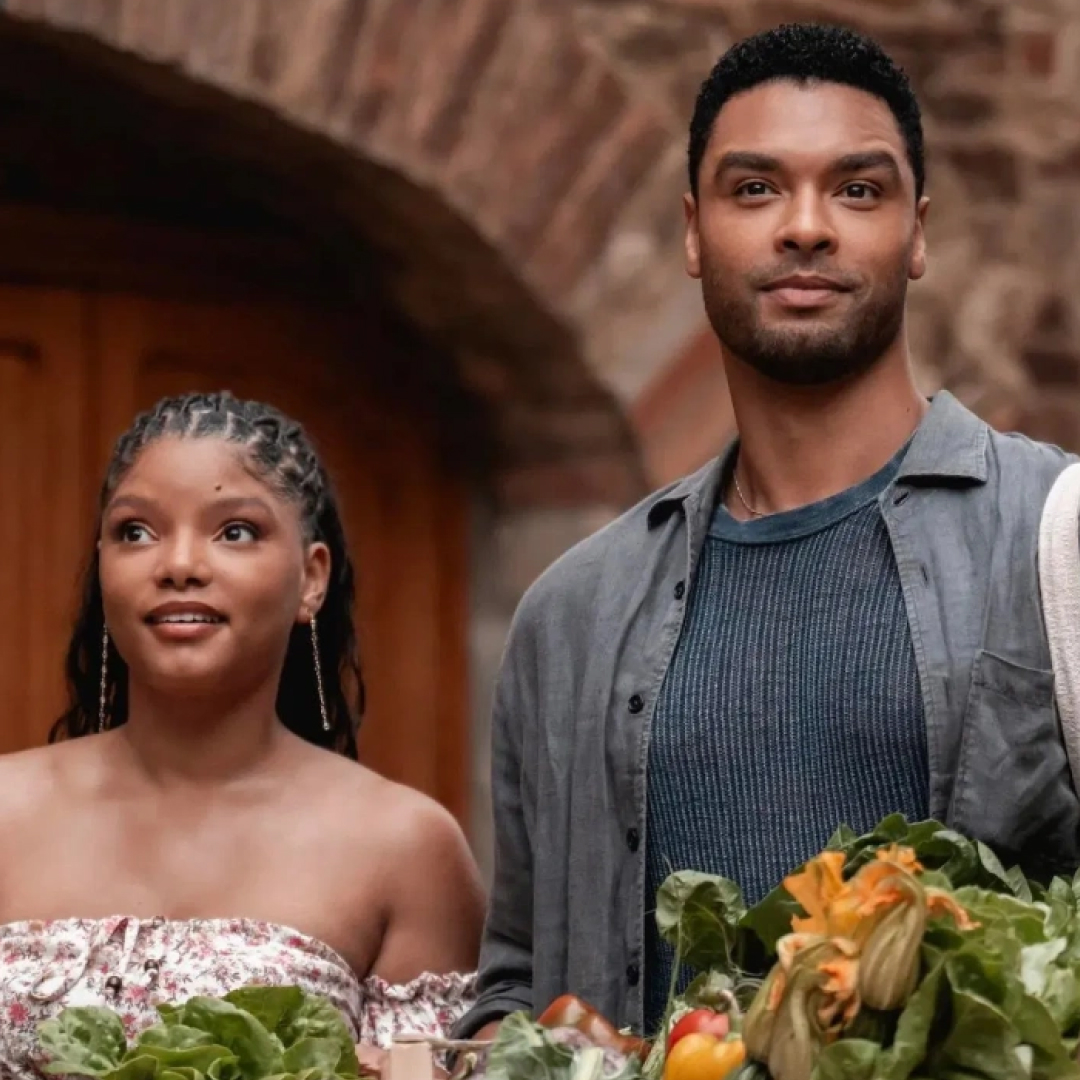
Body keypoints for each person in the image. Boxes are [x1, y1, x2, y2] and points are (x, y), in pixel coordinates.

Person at [455, 21, 1080, 1044]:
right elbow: (515, 988)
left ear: (917, 233)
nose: (806, 227)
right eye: (756, 189)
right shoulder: (570, 616)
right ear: (694, 232)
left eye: (857, 189)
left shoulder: (1055, 541)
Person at [0, 392, 484, 1078]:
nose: (179, 564)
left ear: (312, 579)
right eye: (136, 531)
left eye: (235, 532)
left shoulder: (404, 847)